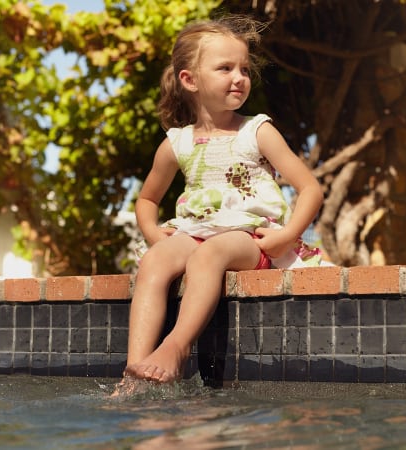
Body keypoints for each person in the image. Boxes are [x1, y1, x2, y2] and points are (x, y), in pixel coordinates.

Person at [124, 15, 324, 384]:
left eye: (245, 69)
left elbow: (309, 187)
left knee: (209, 255)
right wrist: (153, 233)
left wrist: (287, 235)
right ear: (190, 80)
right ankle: (134, 370)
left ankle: (177, 347)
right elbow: (147, 199)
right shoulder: (177, 142)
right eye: (225, 68)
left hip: (247, 237)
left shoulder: (256, 131)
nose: (239, 77)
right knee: (154, 260)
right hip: (196, 229)